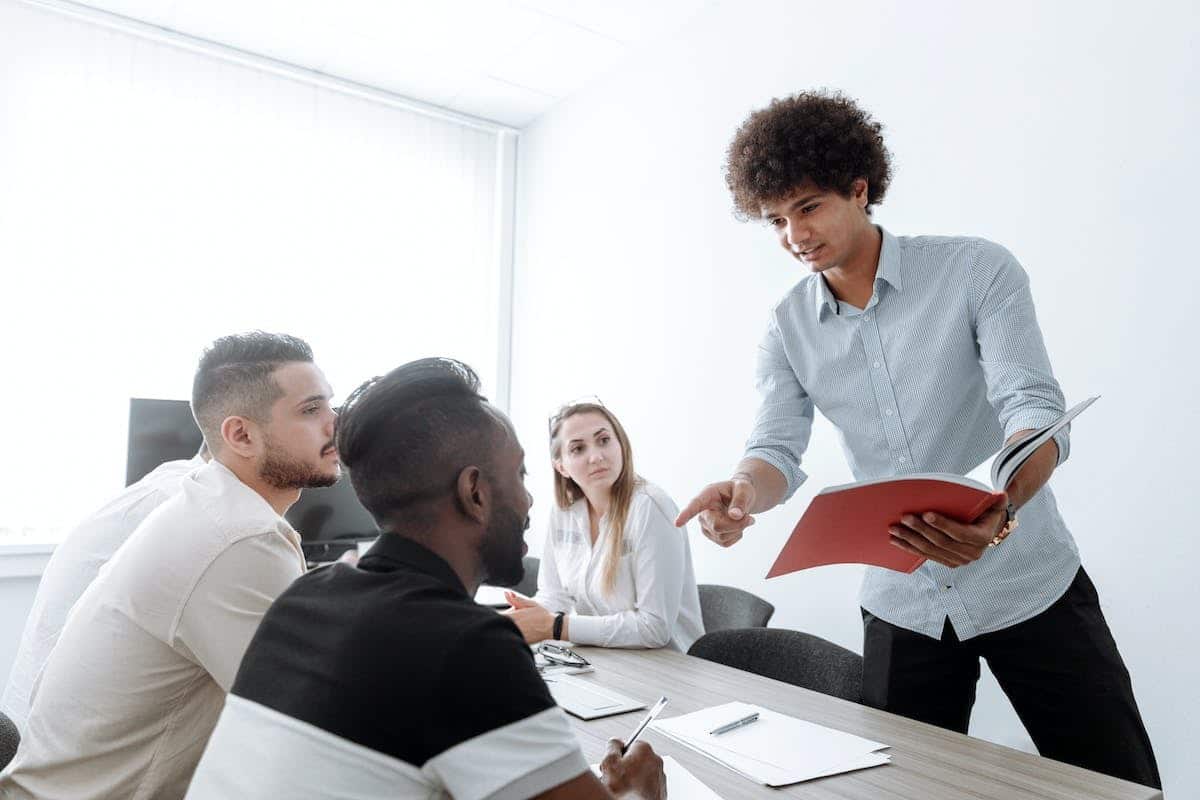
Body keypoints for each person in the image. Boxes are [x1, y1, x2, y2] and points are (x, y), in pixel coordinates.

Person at [676, 91, 1160, 789]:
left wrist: (1005, 504)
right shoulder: (787, 327)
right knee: (900, 788)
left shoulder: (976, 270)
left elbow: (1031, 404)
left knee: (1118, 783)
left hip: (1027, 581)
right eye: (775, 220)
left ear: (859, 188)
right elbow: (776, 447)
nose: (794, 236)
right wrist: (744, 489)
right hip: (903, 602)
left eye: (808, 208)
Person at [185, 359, 665, 800]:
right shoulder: (466, 646)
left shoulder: (303, 598)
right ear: (474, 493)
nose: (530, 502)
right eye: (519, 475)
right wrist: (637, 793)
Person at [0, 332, 340, 799]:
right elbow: (309, 723)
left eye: (330, 406)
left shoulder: (209, 505)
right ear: (240, 434)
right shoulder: (240, 537)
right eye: (310, 410)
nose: (333, 424)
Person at [1, 445, 210, 735]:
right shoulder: (190, 505)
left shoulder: (171, 480)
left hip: (31, 723)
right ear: (239, 433)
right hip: (58, 744)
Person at [504, 400, 703, 653]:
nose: (596, 456)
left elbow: (654, 628)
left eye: (604, 440)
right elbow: (554, 597)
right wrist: (522, 618)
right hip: (605, 660)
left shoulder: (650, 507)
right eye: (578, 449)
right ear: (561, 466)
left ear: (621, 445)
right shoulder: (563, 511)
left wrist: (555, 626)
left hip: (668, 669)